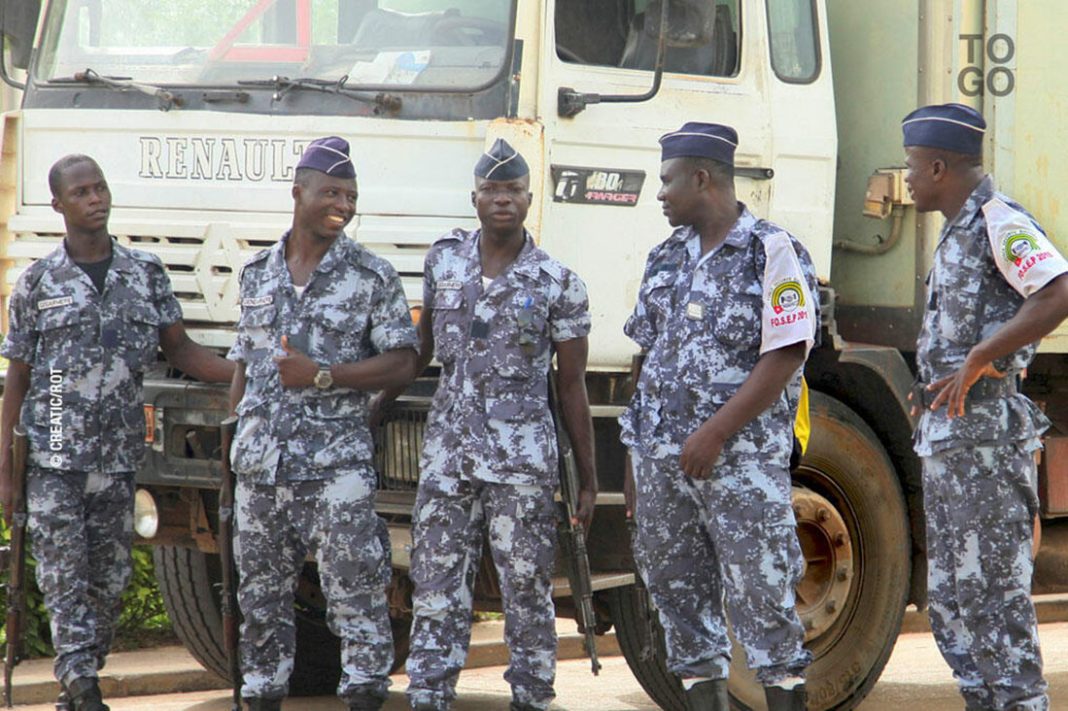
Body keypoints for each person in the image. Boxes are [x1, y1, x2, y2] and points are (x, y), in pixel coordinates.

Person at [0, 155, 233, 711]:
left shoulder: (144, 272)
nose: (95, 199)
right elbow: (18, 380)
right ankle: (80, 682)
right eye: (81, 192)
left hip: (119, 460)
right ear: (59, 205)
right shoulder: (37, 283)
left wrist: (248, 369)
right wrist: (5, 466)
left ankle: (80, 680)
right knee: (63, 574)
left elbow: (180, 350)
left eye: (100, 187)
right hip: (54, 455)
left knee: (110, 579)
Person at [382, 138, 596, 711]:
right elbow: (420, 351)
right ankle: (429, 695)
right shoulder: (443, 261)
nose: (503, 199)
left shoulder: (558, 282)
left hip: (521, 464)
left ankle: (532, 698)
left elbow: (571, 385)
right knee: (435, 585)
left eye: (513, 190)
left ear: (530, 199)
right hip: (448, 457)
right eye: (492, 190)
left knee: (526, 590)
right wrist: (375, 407)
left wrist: (588, 477)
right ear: (474, 198)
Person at [620, 122, 817, 711]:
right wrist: (636, 457)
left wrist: (716, 432)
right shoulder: (665, 256)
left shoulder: (771, 250)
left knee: (763, 602)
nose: (660, 194)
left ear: (701, 178)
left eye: (667, 181)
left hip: (740, 467)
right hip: (662, 466)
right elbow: (644, 358)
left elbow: (785, 351)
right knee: (680, 605)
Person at [226, 136, 419, 711]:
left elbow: (405, 360)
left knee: (356, 592)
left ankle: (364, 693)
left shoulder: (371, 275)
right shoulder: (257, 272)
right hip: (262, 470)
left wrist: (325, 376)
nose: (344, 204)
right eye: (331, 191)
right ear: (298, 192)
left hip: (336, 469)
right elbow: (245, 361)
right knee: (259, 599)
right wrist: (234, 428)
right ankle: (260, 695)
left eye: (352, 195)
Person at [904, 103, 1068, 711]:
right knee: (953, 606)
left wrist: (981, 355)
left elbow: (1058, 290)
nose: (909, 179)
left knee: (996, 604)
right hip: (951, 443)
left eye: (913, 167)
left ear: (940, 166)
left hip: (988, 447)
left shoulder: (999, 220)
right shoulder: (957, 231)